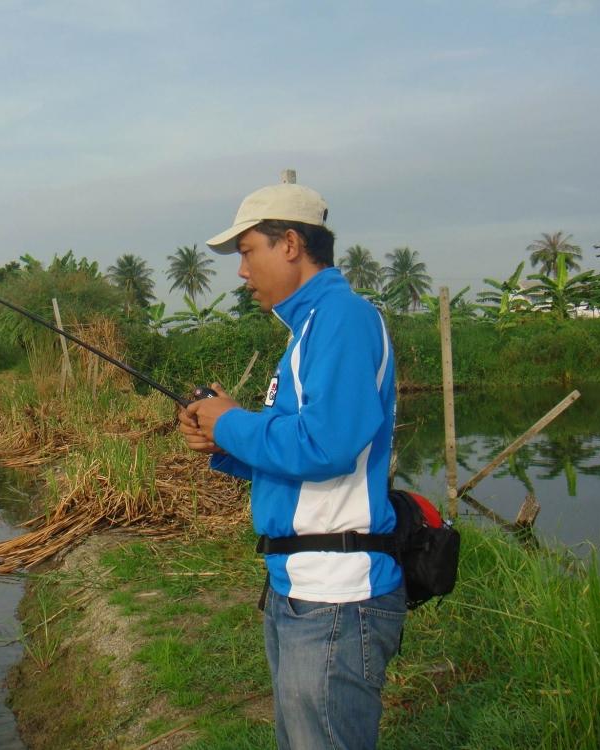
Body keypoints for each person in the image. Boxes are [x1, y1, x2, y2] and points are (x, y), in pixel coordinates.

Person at [178, 175, 404, 749]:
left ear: (290, 245)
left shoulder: (343, 319)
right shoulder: (306, 330)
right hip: (299, 587)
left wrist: (230, 421)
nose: (242, 270)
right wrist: (226, 443)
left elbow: (326, 445)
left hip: (335, 593)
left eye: (248, 250)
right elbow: (302, 453)